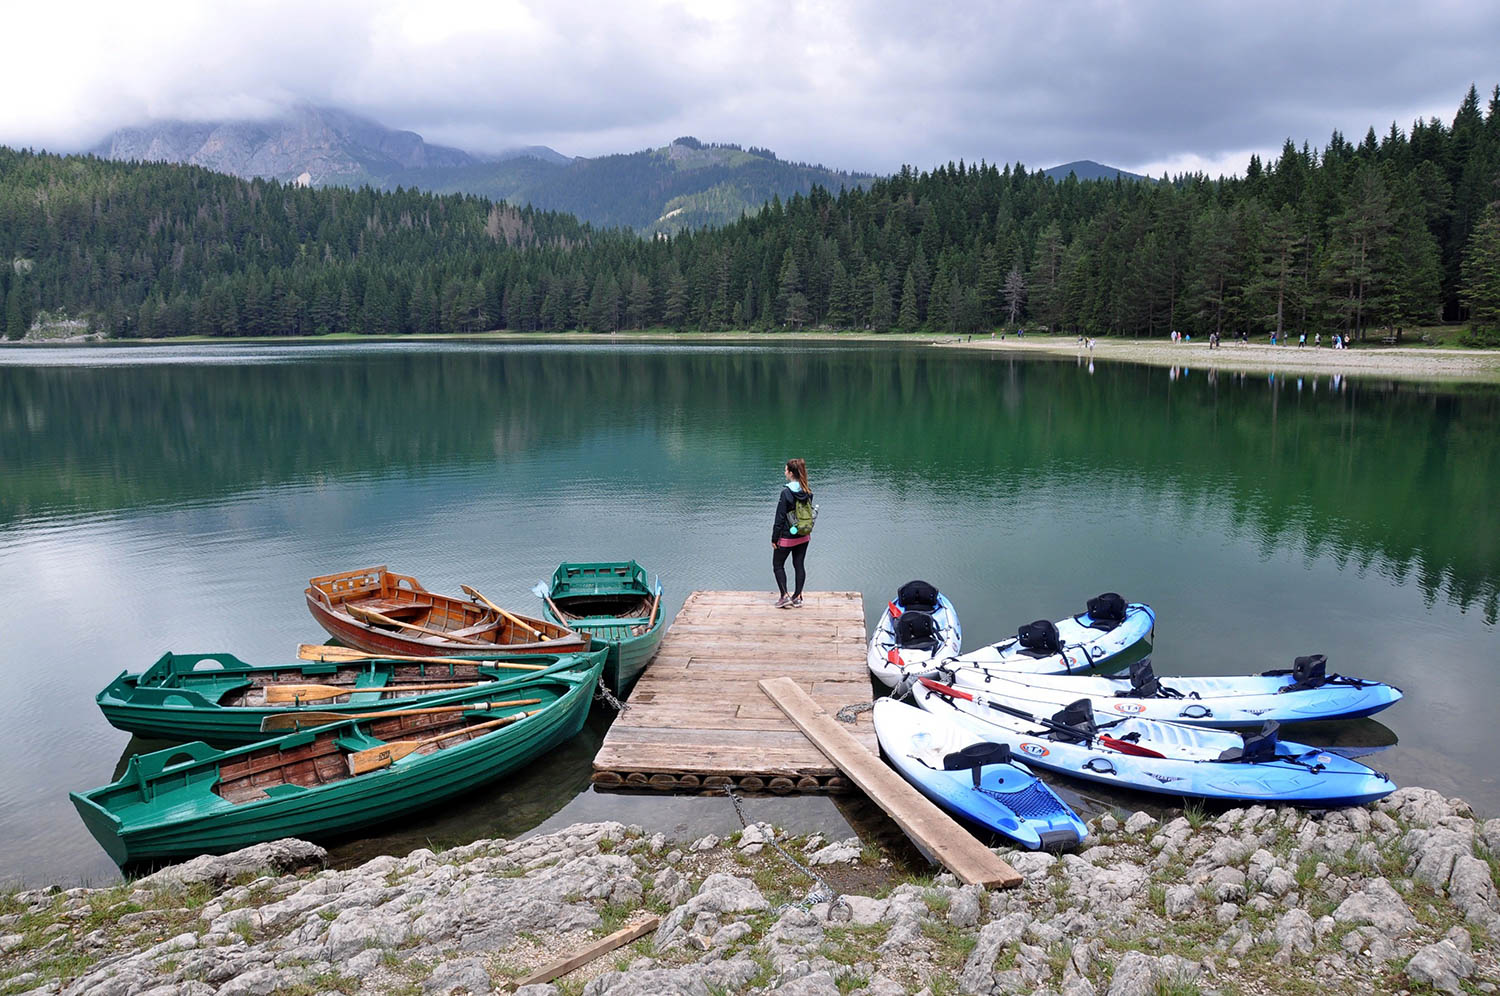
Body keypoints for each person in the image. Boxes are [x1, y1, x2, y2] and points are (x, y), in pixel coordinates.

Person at [772, 458, 813, 608]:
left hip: (787, 537)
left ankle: (784, 596)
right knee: (799, 564)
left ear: (790, 472)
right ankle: (797, 597)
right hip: (803, 536)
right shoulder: (807, 492)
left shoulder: (786, 493)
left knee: (777, 565)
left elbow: (780, 518)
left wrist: (774, 538)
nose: (784, 472)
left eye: (785, 470)